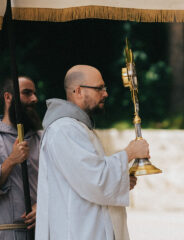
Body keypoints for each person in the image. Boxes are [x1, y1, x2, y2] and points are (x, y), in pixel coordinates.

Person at [35, 65, 150, 240]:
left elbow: (87, 176)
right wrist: (129, 153)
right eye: (99, 88)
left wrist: (120, 180)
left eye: (104, 88)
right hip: (78, 231)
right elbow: (94, 179)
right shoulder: (65, 129)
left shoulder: (76, 127)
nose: (105, 93)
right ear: (78, 91)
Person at [0, 76, 42, 239]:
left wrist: (43, 205)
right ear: (8, 97)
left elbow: (59, 182)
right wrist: (11, 160)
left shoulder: (43, 139)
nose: (34, 99)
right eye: (27, 93)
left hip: (42, 232)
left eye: (34, 93)